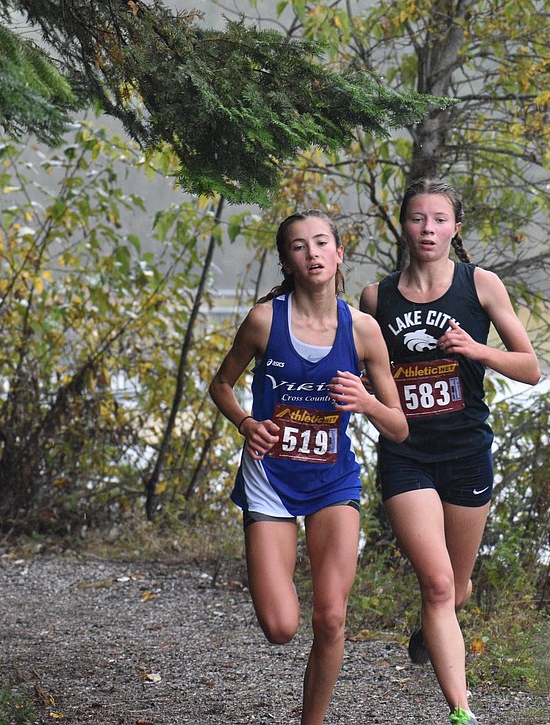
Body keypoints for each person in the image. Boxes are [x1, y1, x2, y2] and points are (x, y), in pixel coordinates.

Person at [208, 210, 408, 725]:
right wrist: (246, 424)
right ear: (287, 262)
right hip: (270, 482)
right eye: (299, 247)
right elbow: (221, 385)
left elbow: (399, 427)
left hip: (332, 481)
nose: (313, 253)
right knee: (279, 628)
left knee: (332, 618)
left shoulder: (362, 331)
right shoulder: (264, 320)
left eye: (322, 243)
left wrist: (365, 401)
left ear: (339, 254)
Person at [360, 178, 541, 725]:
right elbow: (363, 369)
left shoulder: (480, 285)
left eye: (439, 219)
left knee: (456, 589)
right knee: (437, 584)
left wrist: (475, 348)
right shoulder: (376, 297)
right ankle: (462, 713)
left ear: (455, 228)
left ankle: (428, 634)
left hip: (467, 451)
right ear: (404, 227)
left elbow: (531, 368)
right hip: (406, 453)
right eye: (418, 219)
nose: (428, 229)